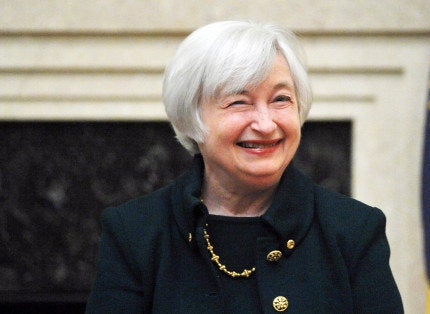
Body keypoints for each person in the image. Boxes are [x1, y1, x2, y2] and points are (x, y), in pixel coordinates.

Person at [86, 20, 403, 313]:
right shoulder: (134, 231)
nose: (266, 124)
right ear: (191, 118)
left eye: (281, 99)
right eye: (239, 102)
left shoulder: (354, 229)